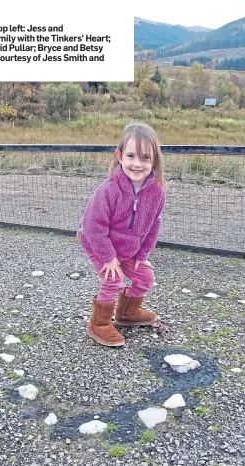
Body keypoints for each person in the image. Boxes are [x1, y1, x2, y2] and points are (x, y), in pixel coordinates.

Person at [77, 122, 167, 347]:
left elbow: (154, 224)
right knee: (113, 279)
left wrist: (142, 254)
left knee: (145, 277)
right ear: (119, 156)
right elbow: (93, 227)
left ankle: (127, 314)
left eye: (145, 158)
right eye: (131, 156)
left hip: (128, 247)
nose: (137, 164)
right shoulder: (108, 190)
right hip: (98, 242)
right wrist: (108, 258)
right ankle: (98, 324)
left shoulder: (157, 192)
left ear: (154, 160)